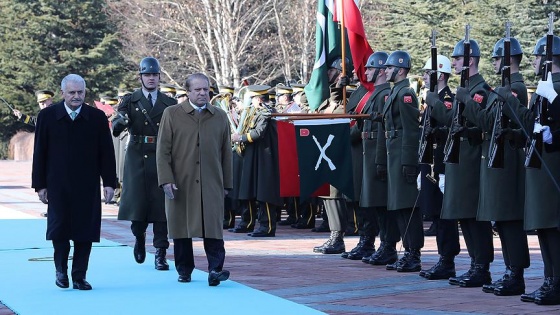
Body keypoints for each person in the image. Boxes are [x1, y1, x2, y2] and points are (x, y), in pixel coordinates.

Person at [32, 74, 117, 290]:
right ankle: (61, 271)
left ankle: (79, 275)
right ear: (63, 93)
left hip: (86, 184)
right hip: (57, 184)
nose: (76, 96)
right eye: (72, 92)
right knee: (59, 230)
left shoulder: (96, 118)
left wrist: (109, 182)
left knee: (84, 231)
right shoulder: (48, 116)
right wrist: (40, 185)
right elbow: (39, 152)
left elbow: (106, 152)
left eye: (80, 92)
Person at [459, 36, 529, 296]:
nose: (496, 63)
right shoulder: (506, 86)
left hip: (506, 159)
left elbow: (490, 122)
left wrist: (467, 101)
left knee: (509, 218)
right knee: (502, 218)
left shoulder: (516, 87)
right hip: (496, 156)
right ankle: (510, 271)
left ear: (509, 60)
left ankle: (516, 273)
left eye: (498, 58)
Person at [494, 34, 560, 305]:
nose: (532, 61)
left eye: (536, 57)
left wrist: (552, 135)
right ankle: (550, 279)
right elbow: (531, 123)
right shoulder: (546, 86)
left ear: (547, 59)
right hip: (540, 165)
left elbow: (539, 124)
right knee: (544, 226)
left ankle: (556, 282)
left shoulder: (555, 87)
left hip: (551, 166)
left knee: (551, 226)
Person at [429, 38, 494, 287]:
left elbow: (479, 122)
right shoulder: (465, 89)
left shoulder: (478, 91)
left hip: (471, 158)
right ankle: (475, 264)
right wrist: (435, 102)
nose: (453, 62)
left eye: (457, 59)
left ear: (470, 61)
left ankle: (481, 266)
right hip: (459, 158)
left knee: (474, 216)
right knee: (464, 215)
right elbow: (451, 118)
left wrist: (462, 100)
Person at [156, 73, 232, 286]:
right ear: (187, 92)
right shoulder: (172, 114)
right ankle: (184, 269)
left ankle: (215, 269)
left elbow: (227, 152)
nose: (202, 93)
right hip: (181, 181)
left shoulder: (219, 115)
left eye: (205, 89)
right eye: (197, 89)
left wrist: (227, 184)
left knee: (213, 228)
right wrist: (166, 180)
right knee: (182, 227)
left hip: (212, 181)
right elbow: (162, 151)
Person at [112, 57, 177, 270]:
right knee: (137, 205)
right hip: (137, 155)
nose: (151, 78)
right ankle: (139, 237)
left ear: (159, 77)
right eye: (147, 75)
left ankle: (160, 252)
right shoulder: (130, 101)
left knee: (162, 207)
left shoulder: (169, 103)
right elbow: (116, 128)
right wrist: (120, 121)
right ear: (140, 77)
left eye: (154, 75)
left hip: (161, 154)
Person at [354, 52, 400, 265]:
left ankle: (388, 245)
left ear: (382, 71)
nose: (366, 72)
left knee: (382, 204)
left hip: (377, 153)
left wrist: (380, 159)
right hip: (370, 152)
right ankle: (380, 244)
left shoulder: (383, 96)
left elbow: (384, 129)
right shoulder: (374, 94)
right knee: (375, 203)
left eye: (370, 69)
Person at [379, 51, 424, 272]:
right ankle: (407, 251)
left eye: (389, 68)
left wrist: (409, 160)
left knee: (407, 207)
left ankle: (413, 253)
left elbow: (411, 130)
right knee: (398, 206)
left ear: (400, 70)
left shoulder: (406, 93)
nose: (385, 71)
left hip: (401, 156)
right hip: (393, 154)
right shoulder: (395, 91)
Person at [418, 55, 461, 280]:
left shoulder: (446, 99)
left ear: (440, 76)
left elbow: (447, 125)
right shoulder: (431, 98)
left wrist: (442, 169)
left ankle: (448, 260)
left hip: (441, 163)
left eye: (428, 73)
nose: (424, 77)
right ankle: (443, 258)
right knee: (436, 213)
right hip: (431, 164)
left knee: (445, 216)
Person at [232, 85, 283, 237]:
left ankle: (267, 226)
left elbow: (258, 133)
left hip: (265, 156)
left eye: (251, 99)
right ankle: (248, 222)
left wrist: (239, 137)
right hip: (254, 155)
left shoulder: (266, 113)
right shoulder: (256, 112)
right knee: (250, 189)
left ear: (258, 99)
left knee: (265, 192)